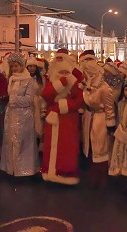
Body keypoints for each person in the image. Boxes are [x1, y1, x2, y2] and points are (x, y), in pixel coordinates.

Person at [41, 55, 84, 185]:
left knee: (67, 147)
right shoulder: (52, 82)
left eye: (67, 73)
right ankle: (51, 172)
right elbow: (46, 95)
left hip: (68, 119)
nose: (64, 75)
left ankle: (66, 173)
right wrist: (61, 82)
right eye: (61, 72)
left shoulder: (75, 84)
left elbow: (79, 101)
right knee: (51, 146)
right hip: (53, 120)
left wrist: (61, 106)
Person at [0, 53, 39, 177]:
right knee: (10, 141)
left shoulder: (29, 81)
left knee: (22, 143)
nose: (14, 69)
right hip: (11, 115)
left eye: (16, 66)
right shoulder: (11, 80)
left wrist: (12, 99)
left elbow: (29, 100)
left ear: (22, 66)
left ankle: (23, 170)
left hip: (24, 116)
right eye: (12, 67)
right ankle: (11, 168)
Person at [81, 60, 116, 188]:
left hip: (100, 119)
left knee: (100, 146)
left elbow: (109, 108)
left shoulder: (105, 88)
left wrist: (110, 124)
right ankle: (93, 175)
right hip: (90, 117)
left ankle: (101, 178)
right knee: (90, 146)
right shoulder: (89, 86)